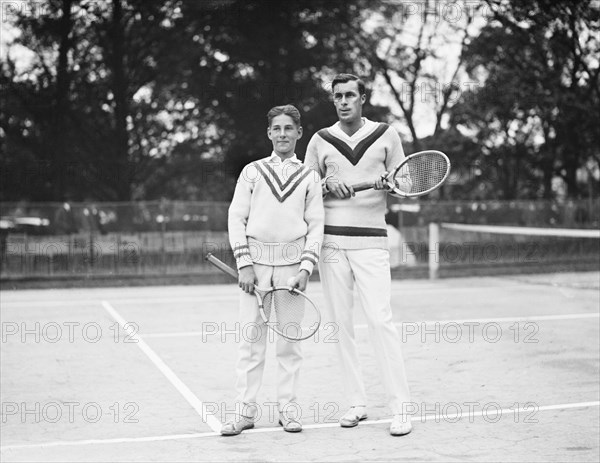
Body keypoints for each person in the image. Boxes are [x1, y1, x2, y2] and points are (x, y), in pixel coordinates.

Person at [304, 73, 413, 436]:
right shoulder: (320, 140)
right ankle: (356, 402)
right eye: (338, 96)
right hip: (331, 246)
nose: (344, 101)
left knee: (380, 322)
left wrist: (391, 183)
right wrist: (324, 184)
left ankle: (401, 408)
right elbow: (303, 194)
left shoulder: (387, 135)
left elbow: (408, 185)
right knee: (341, 326)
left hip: (372, 243)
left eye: (351, 94)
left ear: (363, 98)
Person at [224, 104, 324, 436]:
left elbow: (316, 226)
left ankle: (288, 410)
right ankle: (245, 412)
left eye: (288, 128)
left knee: (289, 345)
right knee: (250, 344)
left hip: (292, 271)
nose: (282, 134)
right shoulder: (252, 172)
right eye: (276, 129)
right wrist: (245, 265)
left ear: (299, 132)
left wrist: (306, 269)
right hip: (255, 269)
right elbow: (236, 218)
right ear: (269, 133)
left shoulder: (310, 175)